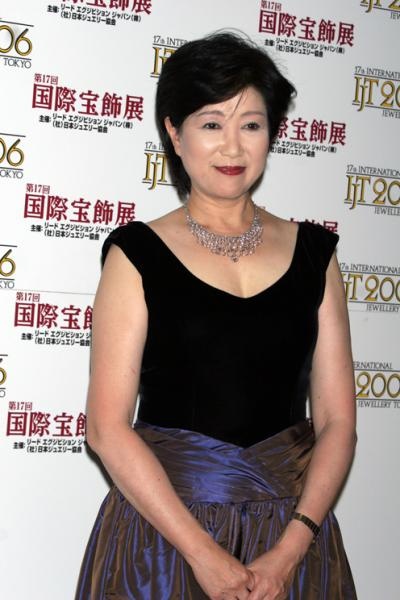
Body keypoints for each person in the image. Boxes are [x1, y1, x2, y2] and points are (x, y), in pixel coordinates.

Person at [75, 32, 357, 599]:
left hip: (292, 537)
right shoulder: (137, 254)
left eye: (251, 124)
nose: (232, 147)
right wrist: (203, 555)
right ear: (174, 134)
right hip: (165, 541)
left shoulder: (315, 255)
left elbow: (337, 421)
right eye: (211, 124)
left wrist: (289, 551)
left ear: (272, 134)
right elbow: (107, 428)